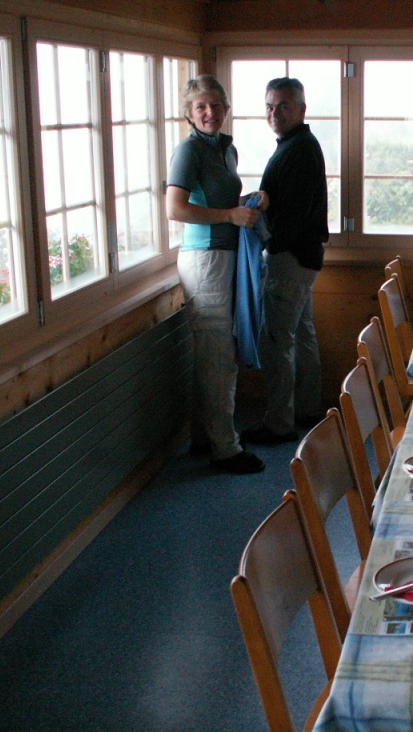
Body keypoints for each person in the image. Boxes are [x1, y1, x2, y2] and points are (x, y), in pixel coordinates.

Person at [166, 74, 266, 474]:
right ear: (189, 113)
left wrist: (247, 202)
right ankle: (226, 449)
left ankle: (205, 436)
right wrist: (229, 215)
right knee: (219, 357)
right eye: (201, 106)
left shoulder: (225, 148)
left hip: (225, 257)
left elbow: (222, 199)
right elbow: (175, 208)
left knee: (215, 353)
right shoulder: (188, 151)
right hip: (203, 259)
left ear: (226, 108)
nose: (210, 112)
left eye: (216, 105)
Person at [241, 77, 329, 445]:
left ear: (302, 109)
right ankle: (307, 409)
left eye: (284, 106)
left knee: (277, 341)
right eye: (270, 106)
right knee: (301, 333)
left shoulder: (299, 149)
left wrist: (270, 245)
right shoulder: (296, 145)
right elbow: (286, 200)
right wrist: (264, 197)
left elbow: (293, 213)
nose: (275, 113)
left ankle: (279, 422)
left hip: (290, 257)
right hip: (303, 256)